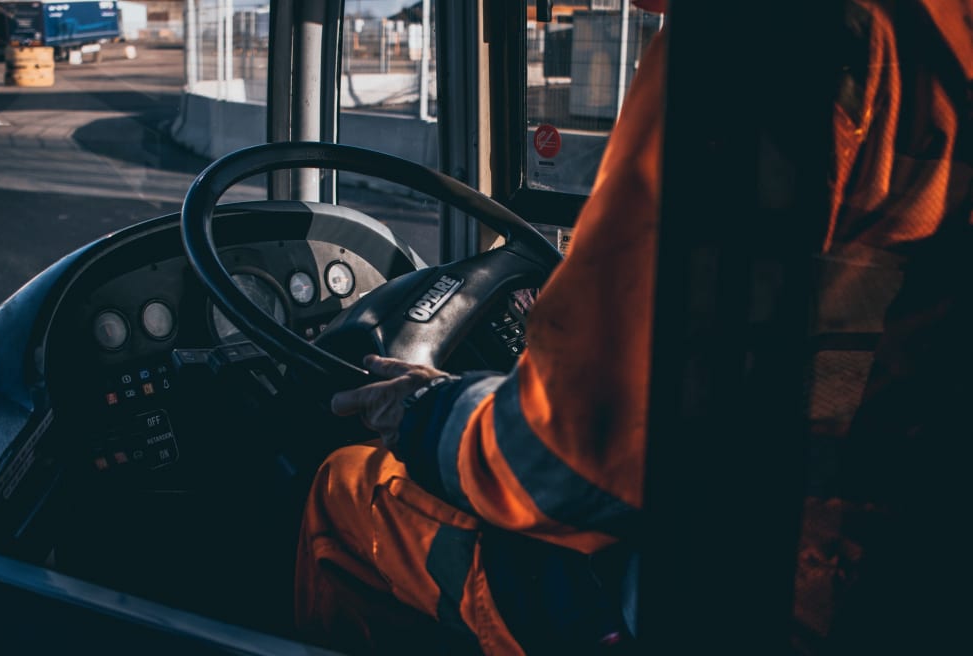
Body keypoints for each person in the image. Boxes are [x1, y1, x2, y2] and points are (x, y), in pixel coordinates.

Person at [294, 1, 972, 653]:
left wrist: (425, 409)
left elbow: (567, 471)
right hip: (899, 578)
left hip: (724, 598)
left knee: (346, 489)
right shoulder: (935, 37)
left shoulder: (750, 39)